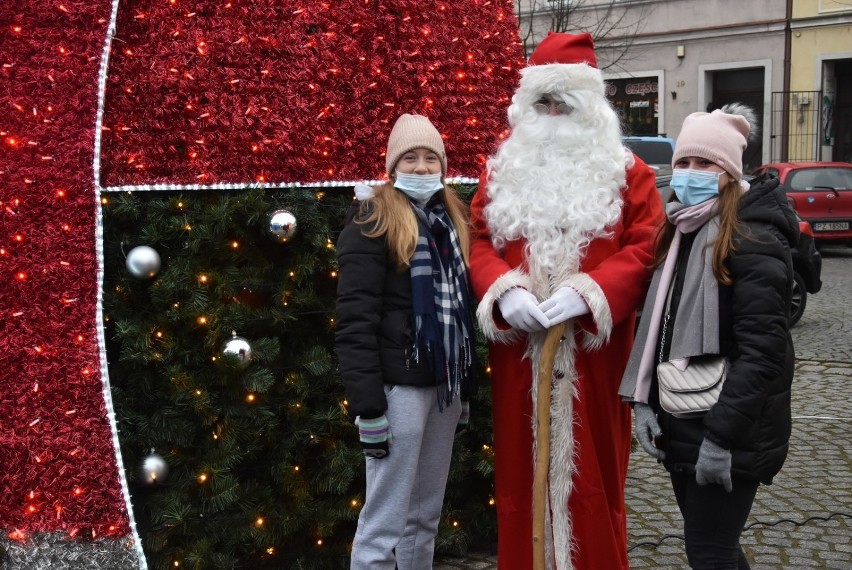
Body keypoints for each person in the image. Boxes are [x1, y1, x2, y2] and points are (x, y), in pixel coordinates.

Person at [468, 32, 663, 569]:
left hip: (596, 364)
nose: (552, 115)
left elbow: (648, 245)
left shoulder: (629, 174)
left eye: (564, 104)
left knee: (595, 484)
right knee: (518, 487)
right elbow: (479, 240)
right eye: (542, 104)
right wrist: (502, 291)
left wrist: (592, 292)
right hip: (519, 361)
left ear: (590, 109)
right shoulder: (499, 173)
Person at [619, 104, 797, 569]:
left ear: (730, 171)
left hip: (730, 428)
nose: (692, 173)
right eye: (684, 162)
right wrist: (646, 404)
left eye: (706, 163)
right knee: (717, 549)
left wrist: (721, 439)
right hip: (684, 421)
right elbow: (659, 329)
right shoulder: (679, 229)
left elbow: (763, 354)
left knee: (709, 551)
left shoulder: (751, 239)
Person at [335, 113, 477, 570]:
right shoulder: (371, 222)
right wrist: (369, 408)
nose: (420, 167)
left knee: (424, 517)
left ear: (443, 164)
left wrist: (463, 391)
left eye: (430, 157)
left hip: (443, 390)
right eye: (409, 158)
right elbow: (354, 321)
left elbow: (460, 314)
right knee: (384, 522)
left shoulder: (451, 222)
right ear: (393, 166)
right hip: (398, 393)